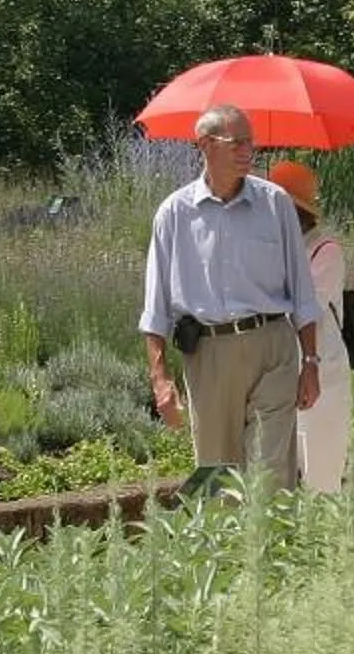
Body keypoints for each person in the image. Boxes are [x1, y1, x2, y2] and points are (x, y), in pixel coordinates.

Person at [139, 105, 325, 485]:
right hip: (209, 354)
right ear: (205, 145)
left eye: (250, 142)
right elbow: (155, 308)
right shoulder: (173, 213)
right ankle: (224, 545)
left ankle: (274, 545)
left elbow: (303, 294)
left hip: (273, 348)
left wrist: (311, 361)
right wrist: (160, 378)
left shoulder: (275, 204)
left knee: (272, 474)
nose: (248, 151)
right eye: (236, 142)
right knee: (216, 473)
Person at [269, 159, 352, 493]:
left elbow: (308, 309)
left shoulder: (325, 251)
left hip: (322, 372)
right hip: (277, 371)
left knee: (321, 473)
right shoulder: (272, 251)